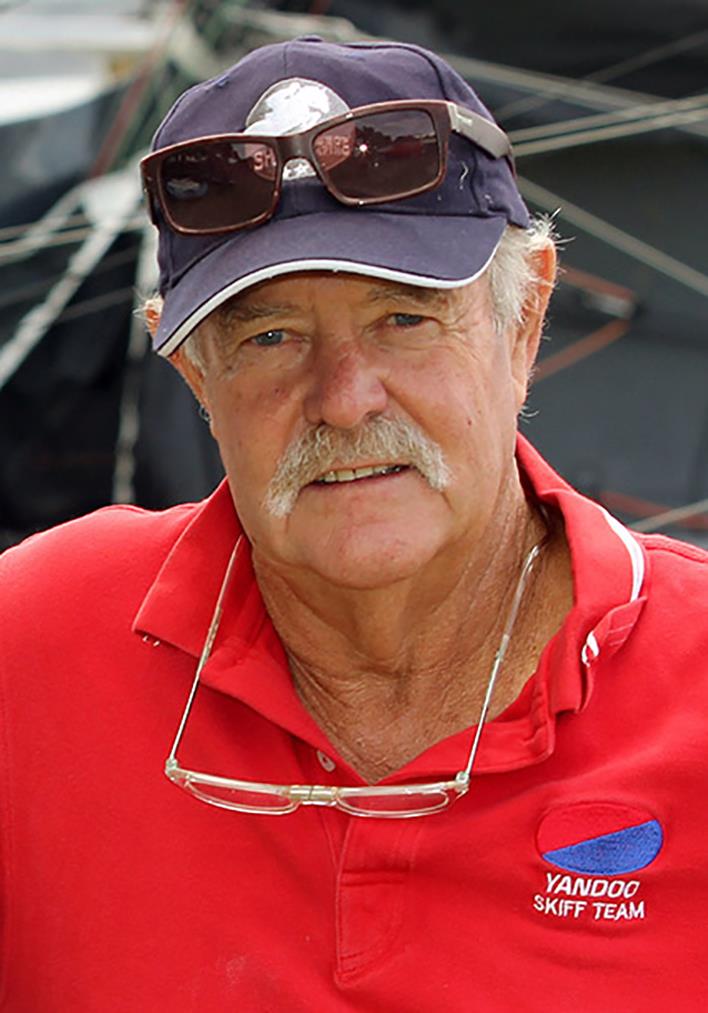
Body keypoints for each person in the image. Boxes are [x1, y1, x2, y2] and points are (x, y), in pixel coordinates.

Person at [1, 35, 707, 1012]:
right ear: (198, 378)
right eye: (271, 336)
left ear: (525, 321)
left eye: (404, 319)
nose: (343, 398)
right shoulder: (34, 647)